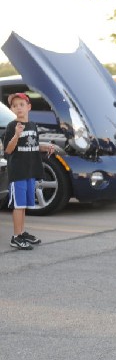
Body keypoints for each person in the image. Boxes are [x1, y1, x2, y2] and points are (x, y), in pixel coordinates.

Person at [2, 93, 54, 250]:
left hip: (30, 171)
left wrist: (44, 147)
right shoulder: (12, 126)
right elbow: (8, 150)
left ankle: (22, 232)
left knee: (23, 205)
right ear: (12, 109)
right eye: (15, 105)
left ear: (28, 107)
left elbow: (32, 146)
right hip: (18, 172)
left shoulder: (32, 126)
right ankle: (16, 237)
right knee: (18, 205)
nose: (18, 108)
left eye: (21, 104)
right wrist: (17, 135)